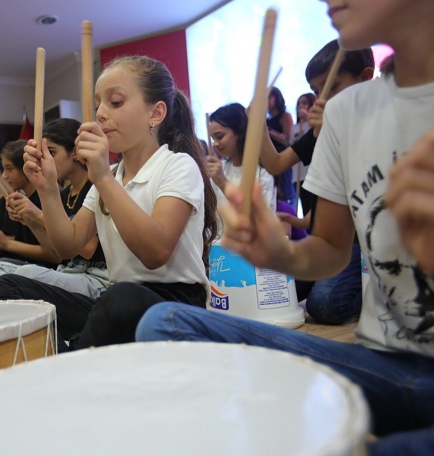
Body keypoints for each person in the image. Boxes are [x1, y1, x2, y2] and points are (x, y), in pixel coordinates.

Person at [137, 1, 434, 453]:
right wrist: (280, 254)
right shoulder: (345, 111)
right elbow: (331, 247)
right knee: (164, 322)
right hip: (384, 366)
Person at [0, 55, 219, 350]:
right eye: (98, 104)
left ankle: (74, 357)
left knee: (120, 298)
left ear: (156, 113)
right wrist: (46, 188)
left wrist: (103, 180)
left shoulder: (177, 166)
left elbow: (155, 252)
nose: (100, 113)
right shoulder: (110, 175)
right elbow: (67, 246)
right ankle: (74, 352)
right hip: (117, 299)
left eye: (116, 102)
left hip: (175, 305)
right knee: (6, 286)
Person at [261, 40, 375, 324]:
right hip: (327, 240)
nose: (322, 98)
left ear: (365, 77)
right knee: (280, 286)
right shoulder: (319, 131)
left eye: (332, 86)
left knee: (324, 304)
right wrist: (258, 124)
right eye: (315, 91)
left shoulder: (379, 121)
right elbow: (275, 163)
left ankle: (374, 291)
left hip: (362, 242)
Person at [0, 118, 109, 298]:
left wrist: (38, 215)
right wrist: (30, 220)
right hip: (68, 270)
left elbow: (87, 249)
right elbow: (58, 254)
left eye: (51, 153)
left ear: (75, 153)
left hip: (95, 276)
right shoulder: (66, 194)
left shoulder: (95, 187)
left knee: (22, 274)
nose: (45, 161)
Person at [0, 139, 59, 269]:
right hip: (30, 266)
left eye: (9, 169)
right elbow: (22, 244)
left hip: (46, 269)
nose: (4, 176)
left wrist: (5, 243)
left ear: (26, 168)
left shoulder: (45, 199)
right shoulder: (24, 199)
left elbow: (56, 256)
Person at [206, 103, 276, 216]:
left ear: (240, 132)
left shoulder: (262, 172)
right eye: (212, 138)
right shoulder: (220, 167)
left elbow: (259, 218)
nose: (214, 144)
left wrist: (223, 182)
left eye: (219, 137)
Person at [289, 93, 317, 214]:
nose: (300, 106)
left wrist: (307, 116)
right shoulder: (294, 128)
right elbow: (291, 147)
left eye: (304, 103)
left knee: (314, 209)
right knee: (305, 208)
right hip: (297, 175)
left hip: (311, 173)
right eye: (298, 104)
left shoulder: (314, 125)